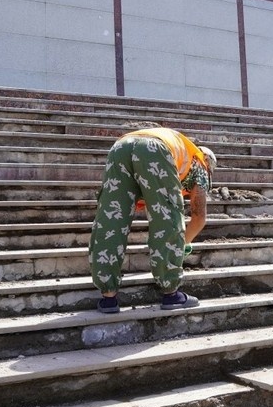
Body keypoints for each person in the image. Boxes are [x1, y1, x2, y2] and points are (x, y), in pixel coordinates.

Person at [89, 127, 216, 313]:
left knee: (111, 218)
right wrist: (182, 244)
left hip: (120, 147)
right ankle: (171, 293)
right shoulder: (200, 162)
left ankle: (108, 297)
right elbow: (198, 217)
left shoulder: (181, 152)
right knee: (167, 219)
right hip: (154, 149)